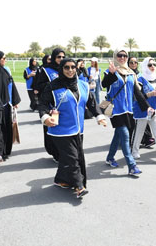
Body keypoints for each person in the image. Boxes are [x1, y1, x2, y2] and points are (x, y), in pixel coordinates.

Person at [39, 58, 107, 198]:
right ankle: (79, 186)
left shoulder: (83, 85)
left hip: (78, 130)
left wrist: (99, 116)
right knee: (73, 158)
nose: (70, 70)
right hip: (60, 131)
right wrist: (45, 117)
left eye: (73, 67)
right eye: (66, 68)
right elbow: (43, 105)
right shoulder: (52, 87)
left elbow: (92, 104)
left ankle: (61, 180)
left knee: (68, 158)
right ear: (61, 69)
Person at [101, 49, 153, 176]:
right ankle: (131, 165)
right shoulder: (110, 71)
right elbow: (104, 84)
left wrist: (147, 107)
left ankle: (110, 157)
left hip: (128, 110)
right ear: (115, 56)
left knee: (118, 135)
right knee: (125, 136)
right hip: (116, 110)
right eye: (120, 55)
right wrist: (112, 74)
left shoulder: (130, 73)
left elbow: (137, 92)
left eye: (125, 56)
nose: (122, 58)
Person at [33, 51, 63, 162]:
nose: (61, 58)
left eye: (63, 57)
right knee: (52, 129)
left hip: (64, 104)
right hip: (50, 105)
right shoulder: (45, 70)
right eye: (58, 57)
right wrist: (53, 83)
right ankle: (55, 153)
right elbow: (38, 85)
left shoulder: (66, 68)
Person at [127, 55, 155, 149]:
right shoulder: (126, 74)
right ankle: (128, 140)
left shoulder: (140, 75)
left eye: (135, 62)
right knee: (131, 122)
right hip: (130, 100)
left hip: (140, 99)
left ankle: (147, 139)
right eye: (131, 62)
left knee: (143, 120)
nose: (134, 64)